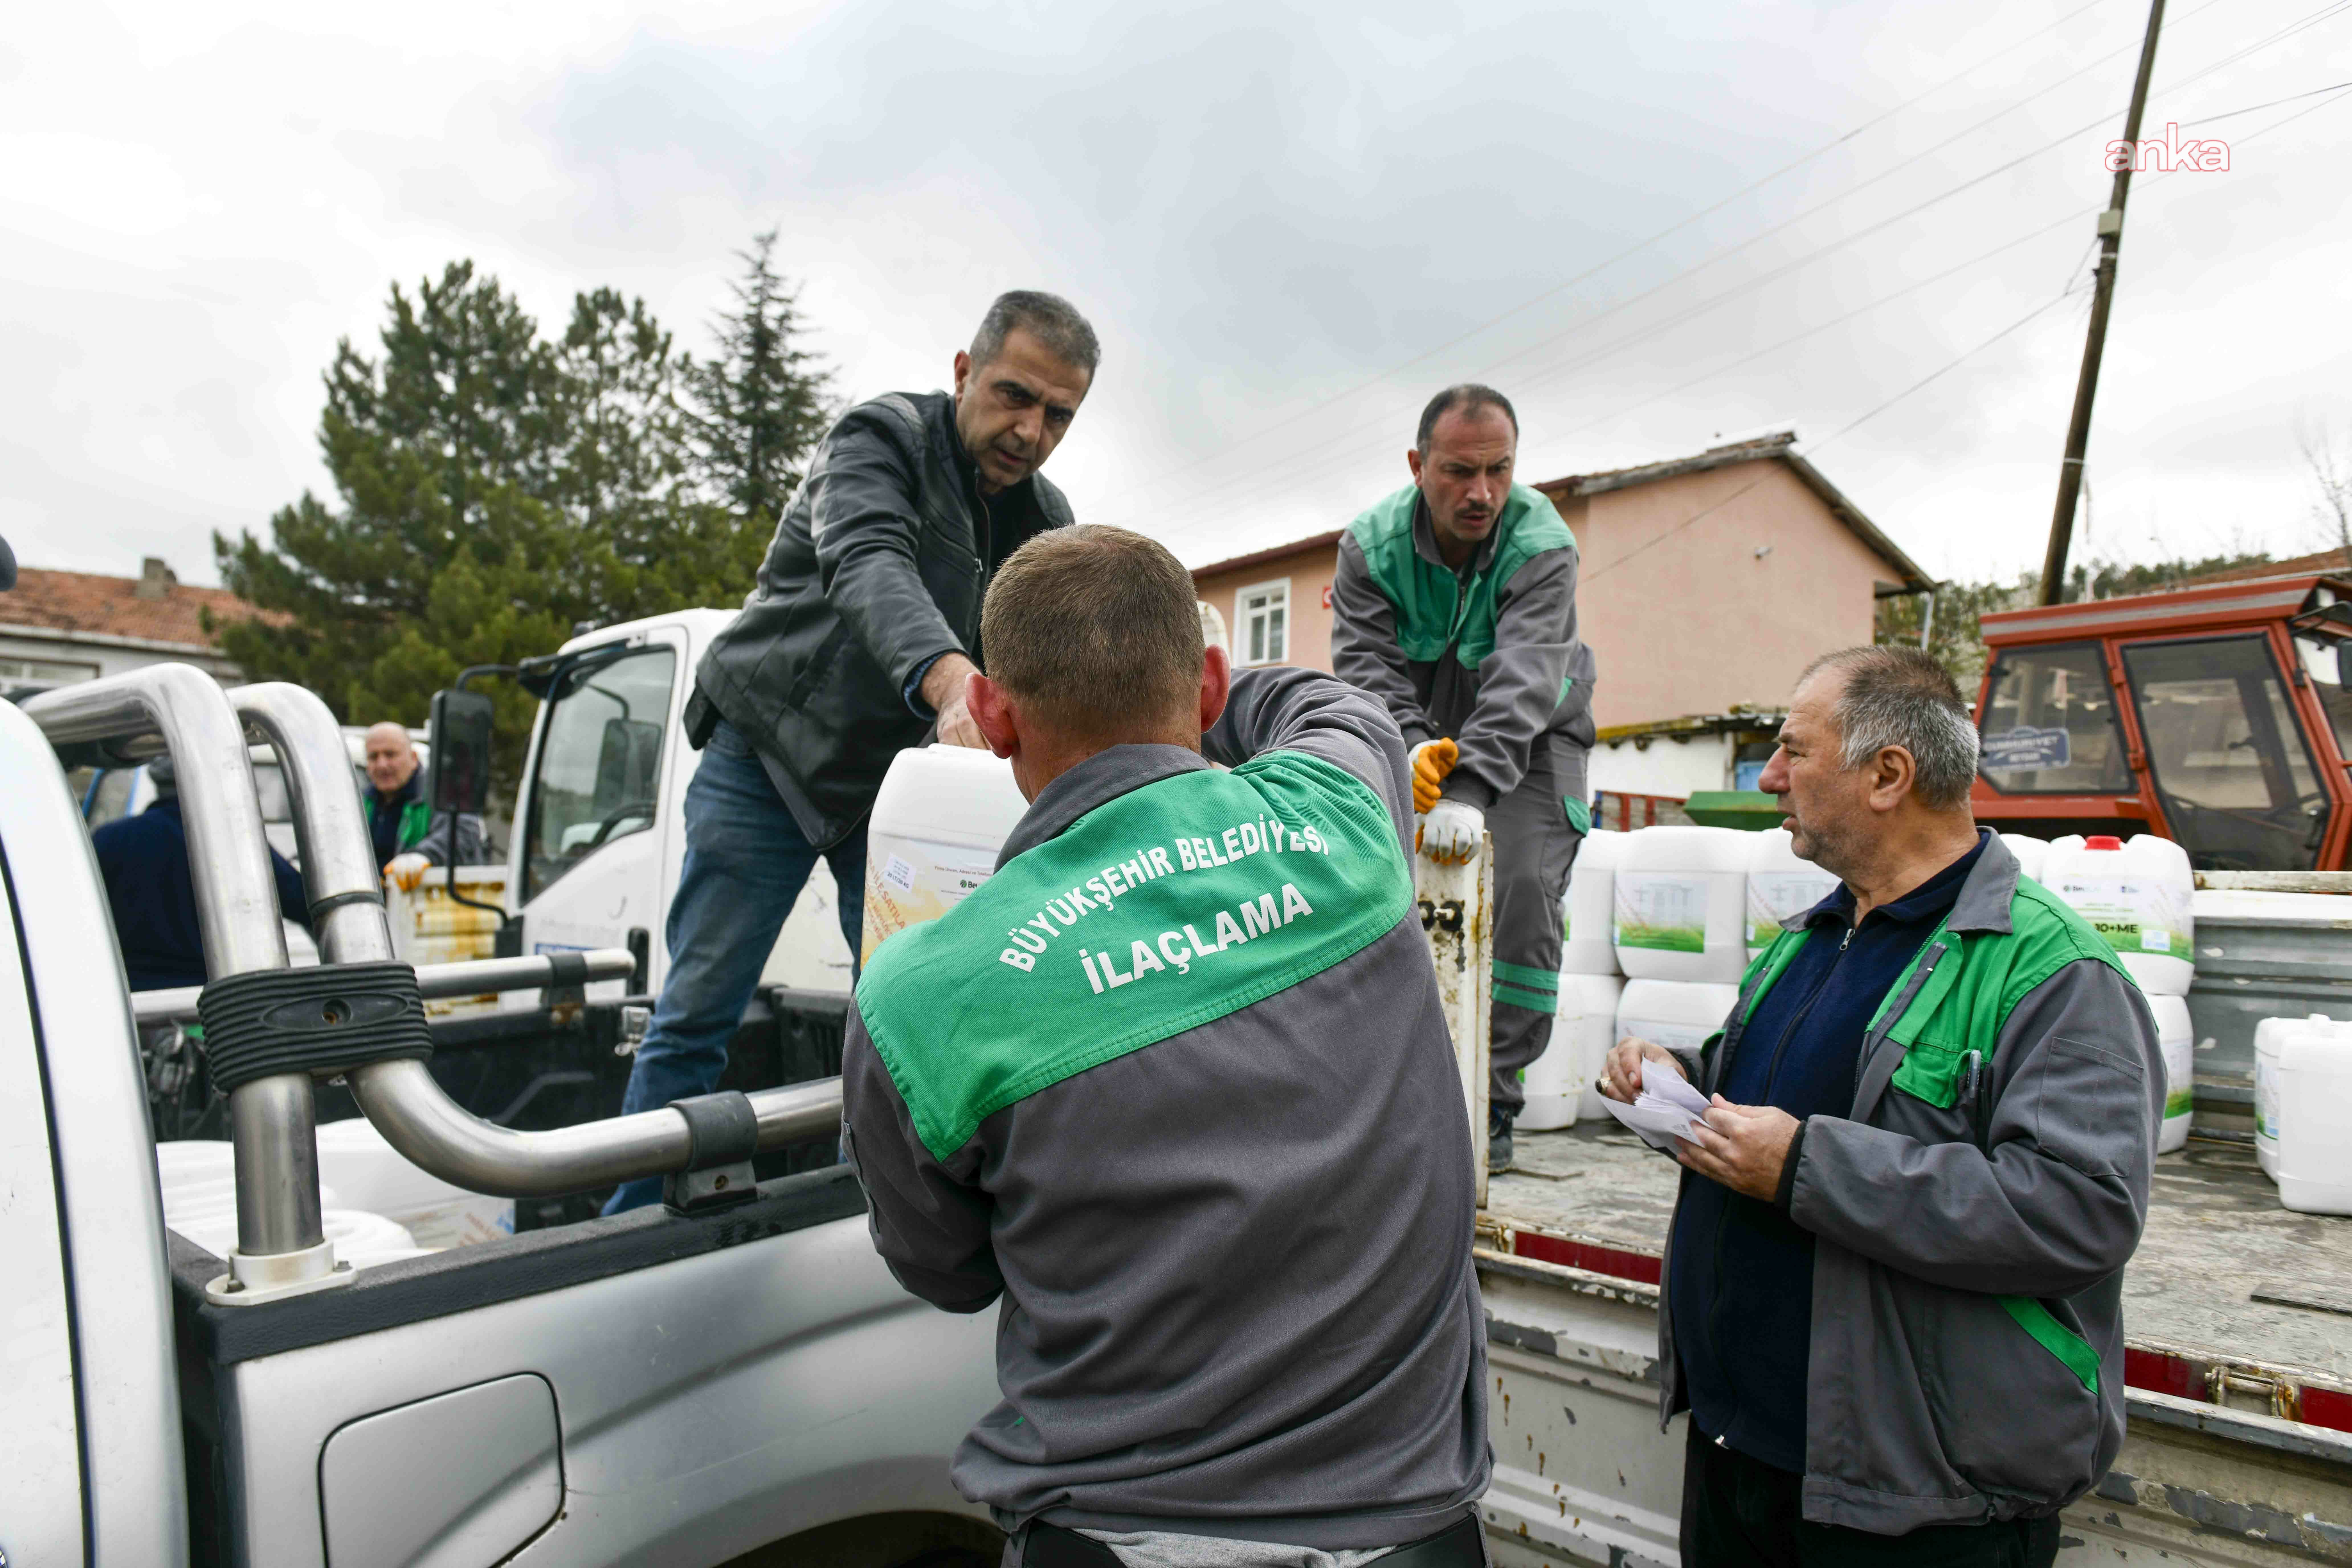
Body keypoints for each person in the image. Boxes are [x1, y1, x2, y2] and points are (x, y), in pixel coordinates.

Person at [842, 526, 1491, 1568]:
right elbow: (1339, 706)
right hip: (1407, 1529)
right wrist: (1198, 684)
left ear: (996, 718)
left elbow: (948, 1270)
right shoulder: (1340, 821)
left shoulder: (920, 994)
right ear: (1209, 685)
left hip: (1113, 1534)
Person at [1600, 646, 2160, 1567]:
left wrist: (1803, 1168)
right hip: (1744, 1458)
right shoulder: (1817, 931)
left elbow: (2077, 1208)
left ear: (1886, 775)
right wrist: (1679, 1080)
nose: (1769, 777)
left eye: (1791, 751)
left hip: (1911, 1510)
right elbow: (1786, 1101)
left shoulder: (2051, 972)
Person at [606, 290, 1099, 1214]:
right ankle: (621, 1229)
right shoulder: (879, 439)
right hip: (767, 755)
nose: (1029, 430)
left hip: (889, 793)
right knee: (698, 1012)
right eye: (1013, 396)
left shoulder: (1046, 517)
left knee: (903, 1013)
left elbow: (1059, 649)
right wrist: (955, 683)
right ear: (963, 371)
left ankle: (880, 1218)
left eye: (1058, 414)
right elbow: (869, 561)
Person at [1329, 383, 1595, 1173]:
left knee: (1516, 882)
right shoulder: (1368, 549)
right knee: (1383, 884)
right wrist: (1411, 752)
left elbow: (1523, 680)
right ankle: (1397, 1088)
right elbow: (1368, 669)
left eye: (1499, 471)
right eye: (1458, 472)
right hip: (1420, 733)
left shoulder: (1541, 544)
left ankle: (1495, 1099)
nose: (1481, 493)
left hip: (1536, 739)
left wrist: (1472, 790)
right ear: (1418, 465)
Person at [94, 754, 309, 991]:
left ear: (158, 784)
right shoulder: (235, 843)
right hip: (213, 1003)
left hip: (131, 1000)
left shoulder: (110, 839)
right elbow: (302, 903)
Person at [363, 721, 486, 890]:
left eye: (390, 755)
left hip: (429, 910)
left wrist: (423, 856)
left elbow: (463, 831)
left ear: (414, 759)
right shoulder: (359, 802)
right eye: (373, 757)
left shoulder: (444, 793)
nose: (382, 765)